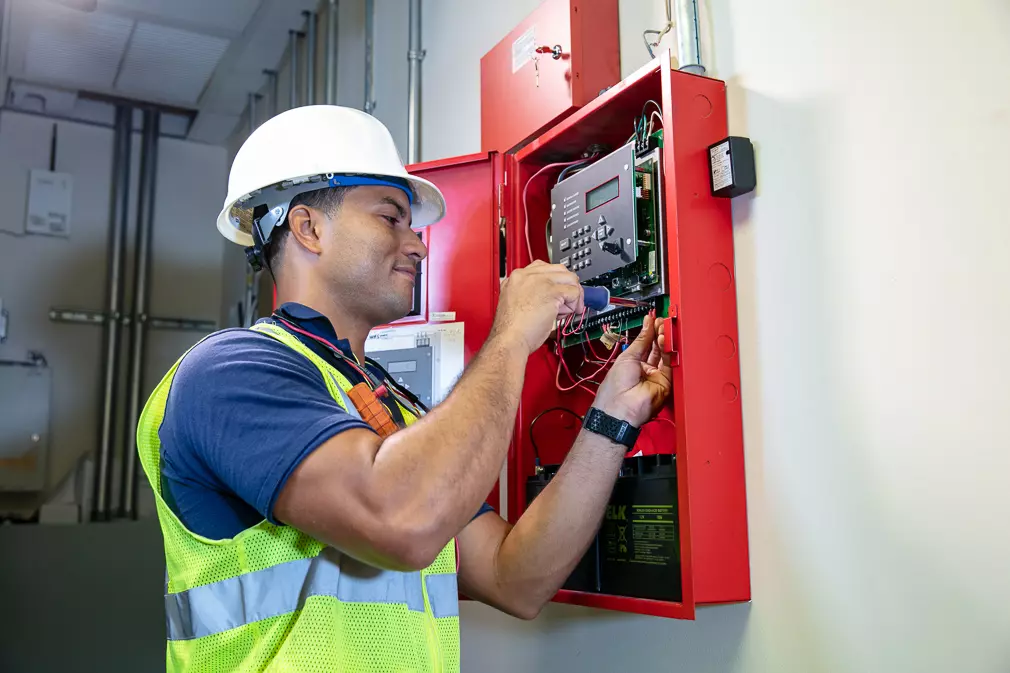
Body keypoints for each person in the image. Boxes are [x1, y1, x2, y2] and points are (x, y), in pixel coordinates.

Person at [137, 105, 672, 672]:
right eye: (390, 218)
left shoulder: (398, 409)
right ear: (308, 229)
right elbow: (400, 521)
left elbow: (515, 576)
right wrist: (513, 334)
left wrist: (611, 421)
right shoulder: (227, 374)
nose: (418, 245)